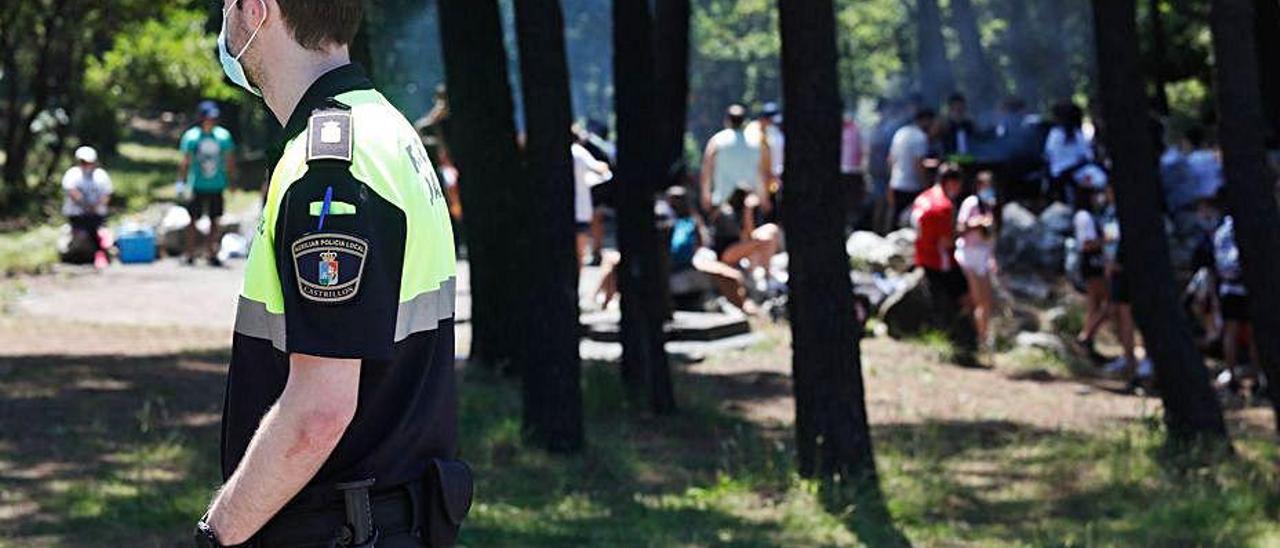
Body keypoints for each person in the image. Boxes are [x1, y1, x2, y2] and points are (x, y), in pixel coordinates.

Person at [195, 2, 469, 547]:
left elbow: (318, 412)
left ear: (256, 9)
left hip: (338, 531)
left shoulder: (327, 169)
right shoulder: (386, 130)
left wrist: (218, 534)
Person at [913, 167, 970, 344]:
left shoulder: (923, 197)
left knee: (936, 299)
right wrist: (965, 232)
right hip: (940, 260)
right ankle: (960, 334)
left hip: (923, 255)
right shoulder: (944, 206)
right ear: (952, 183)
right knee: (966, 296)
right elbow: (946, 242)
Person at [178, 101, 236, 267]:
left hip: (217, 185)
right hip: (197, 185)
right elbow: (185, 161)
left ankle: (211, 252)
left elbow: (230, 161)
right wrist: (181, 182)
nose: (211, 121)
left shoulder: (223, 136)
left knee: (214, 220)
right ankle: (190, 253)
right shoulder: (192, 137)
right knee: (192, 219)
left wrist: (231, 182)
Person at [1213, 214, 1261, 394]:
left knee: (1232, 333)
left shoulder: (1222, 230)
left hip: (1230, 289)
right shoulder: (1251, 224)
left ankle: (1235, 375)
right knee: (1253, 334)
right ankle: (1256, 377)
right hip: (1248, 289)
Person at [701, 104, 772, 216]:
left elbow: (707, 171)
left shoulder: (716, 141)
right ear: (744, 121)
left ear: (727, 120)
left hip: (722, 202)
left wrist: (706, 195)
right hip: (749, 204)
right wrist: (764, 199)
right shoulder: (756, 143)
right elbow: (762, 173)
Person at [955, 171, 998, 351]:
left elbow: (990, 237)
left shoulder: (989, 206)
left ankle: (983, 337)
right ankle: (974, 337)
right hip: (968, 254)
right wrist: (977, 223)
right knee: (975, 300)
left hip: (983, 255)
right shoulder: (971, 203)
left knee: (986, 301)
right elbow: (960, 227)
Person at [1072, 180, 1109, 362]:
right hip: (1091, 262)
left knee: (1094, 304)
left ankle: (1088, 344)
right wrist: (1106, 240)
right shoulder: (1084, 217)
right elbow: (1087, 244)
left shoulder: (1091, 215)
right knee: (1107, 303)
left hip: (1095, 261)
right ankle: (1085, 337)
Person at [61, 146, 113, 268]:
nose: (87, 165)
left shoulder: (101, 176)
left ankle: (102, 255)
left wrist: (96, 206)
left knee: (102, 235)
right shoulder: (72, 174)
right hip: (77, 216)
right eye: (84, 162)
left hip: (97, 216)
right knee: (80, 238)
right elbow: (72, 191)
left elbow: (107, 194)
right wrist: (85, 205)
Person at [572, 126, 612, 270]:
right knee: (579, 253)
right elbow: (600, 168)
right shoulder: (579, 153)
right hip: (581, 208)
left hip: (563, 208)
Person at [888, 108, 936, 227]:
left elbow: (890, 159)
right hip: (912, 187)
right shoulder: (920, 138)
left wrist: (891, 180)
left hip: (896, 184)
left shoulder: (900, 133)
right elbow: (918, 164)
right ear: (925, 120)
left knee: (895, 220)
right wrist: (926, 187)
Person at [1044, 102, 1093, 204]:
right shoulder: (1078, 135)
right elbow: (1088, 156)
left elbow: (1049, 155)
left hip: (1059, 177)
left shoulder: (1054, 135)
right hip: (1072, 177)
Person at [936, 92, 976, 158]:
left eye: (961, 107)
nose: (958, 110)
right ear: (950, 108)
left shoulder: (970, 125)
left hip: (969, 159)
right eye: (956, 107)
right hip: (949, 159)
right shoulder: (944, 125)